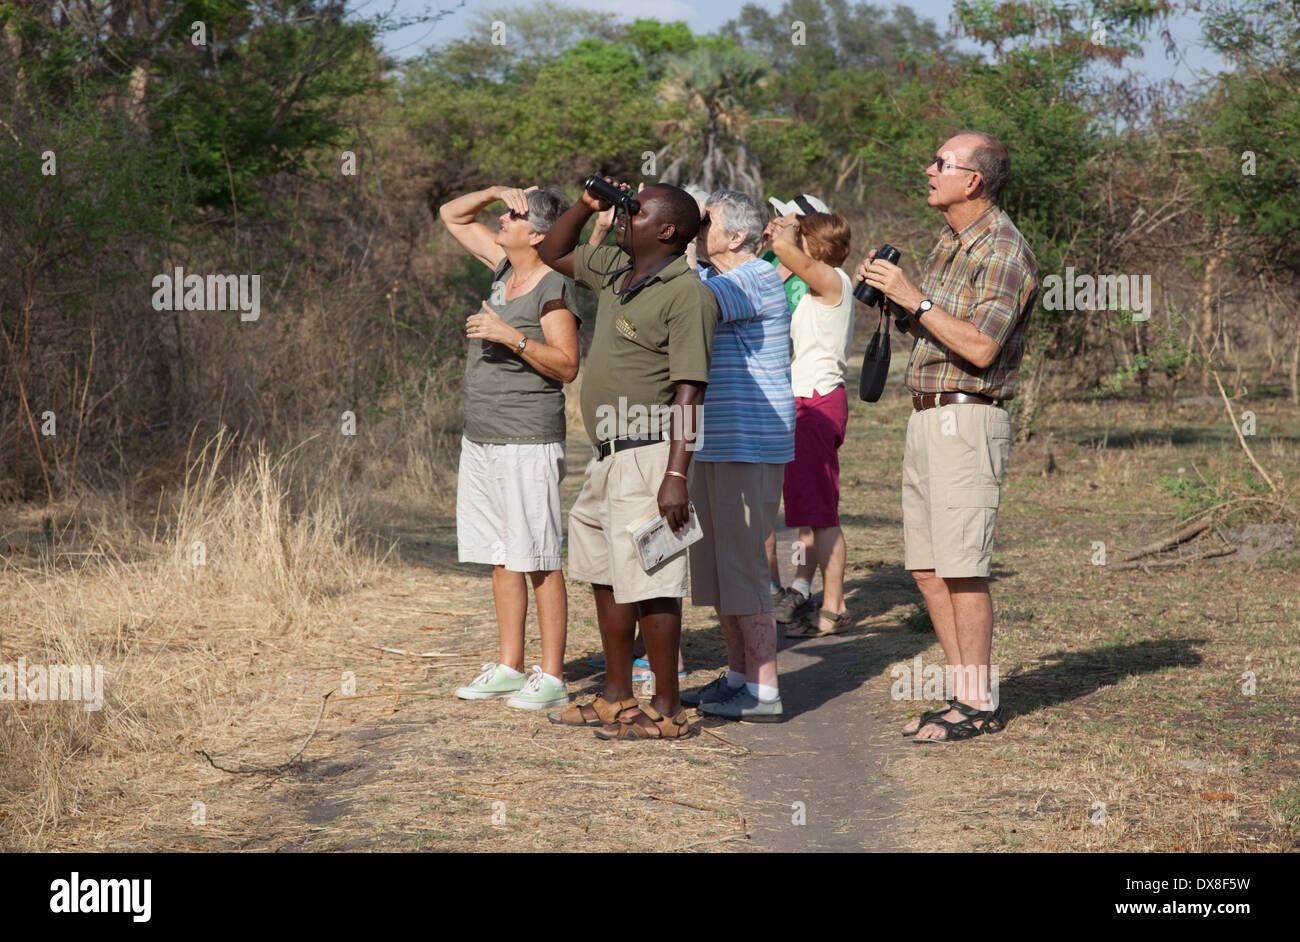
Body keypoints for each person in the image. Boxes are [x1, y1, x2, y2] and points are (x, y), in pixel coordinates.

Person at [855, 130, 1038, 742]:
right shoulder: (949, 242)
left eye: (941, 163)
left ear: (973, 180)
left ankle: (979, 705)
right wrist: (898, 302)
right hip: (927, 413)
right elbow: (941, 329)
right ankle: (963, 695)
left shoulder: (1005, 251)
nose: (927, 169)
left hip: (969, 415)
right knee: (928, 569)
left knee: (963, 568)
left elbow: (982, 348)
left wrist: (916, 296)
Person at [538, 179, 718, 740]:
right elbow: (551, 252)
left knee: (653, 579)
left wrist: (675, 475)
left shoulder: (687, 293)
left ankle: (666, 708)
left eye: (635, 212)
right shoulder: (618, 268)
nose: (624, 217)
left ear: (666, 231)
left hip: (649, 456)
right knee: (605, 574)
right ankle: (616, 696)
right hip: (606, 456)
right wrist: (587, 205)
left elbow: (690, 389)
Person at [437, 185, 581, 710]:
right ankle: (508, 665)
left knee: (539, 555)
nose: (501, 218)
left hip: (527, 437)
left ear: (539, 234)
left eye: (513, 215)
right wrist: (497, 189)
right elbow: (451, 215)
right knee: (502, 554)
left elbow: (567, 365)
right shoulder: (503, 266)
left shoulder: (553, 286)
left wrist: (508, 336)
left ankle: (553, 675)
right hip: (483, 435)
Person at [680, 190, 795, 722]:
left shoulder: (756, 277)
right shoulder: (718, 278)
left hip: (747, 443)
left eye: (705, 221)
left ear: (736, 236)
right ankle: (737, 678)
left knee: (745, 568)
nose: (696, 227)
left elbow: (696, 307)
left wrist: (678, 247)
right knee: (720, 568)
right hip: (716, 441)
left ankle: (765, 692)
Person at [766, 209, 857, 637]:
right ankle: (815, 601)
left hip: (815, 404)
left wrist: (786, 223)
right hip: (811, 402)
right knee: (809, 514)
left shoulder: (831, 280)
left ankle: (833, 605)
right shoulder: (827, 284)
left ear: (815, 247)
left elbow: (782, 247)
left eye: (802, 237)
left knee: (820, 515)